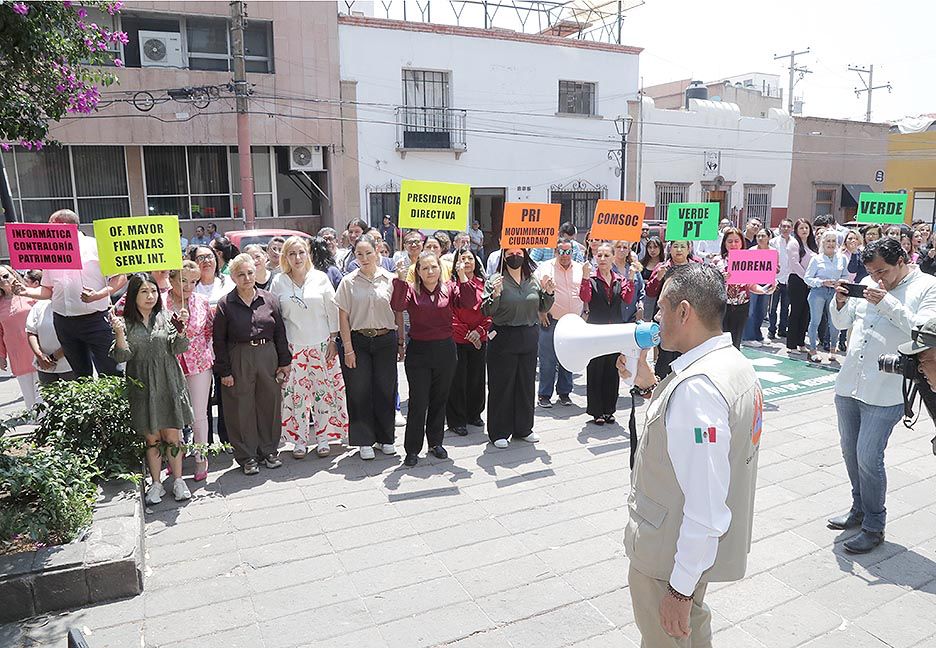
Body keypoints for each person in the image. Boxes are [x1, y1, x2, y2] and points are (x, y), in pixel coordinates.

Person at [619, 263, 762, 647]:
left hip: (666, 557)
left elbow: (705, 504)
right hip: (685, 553)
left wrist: (679, 591)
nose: (656, 318)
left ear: (684, 312)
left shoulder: (697, 389)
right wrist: (649, 386)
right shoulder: (732, 365)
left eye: (661, 309)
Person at [829, 237, 936, 553]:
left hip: (887, 389)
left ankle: (875, 525)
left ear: (902, 260)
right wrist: (839, 303)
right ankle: (859, 508)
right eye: (872, 272)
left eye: (883, 271)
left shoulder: (927, 287)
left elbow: (924, 331)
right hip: (850, 382)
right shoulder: (866, 282)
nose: (877, 278)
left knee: (868, 456)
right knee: (850, 451)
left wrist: (887, 303)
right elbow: (842, 323)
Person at [110, 274, 194, 504]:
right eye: (144, 291)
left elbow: (180, 347)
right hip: (142, 385)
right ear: (133, 295)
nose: (150, 296)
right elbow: (122, 356)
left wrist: (182, 330)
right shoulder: (125, 323)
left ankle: (178, 480)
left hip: (168, 381)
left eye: (154, 291)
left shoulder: (166, 317)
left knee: (173, 436)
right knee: (152, 438)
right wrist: (119, 334)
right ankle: (156, 483)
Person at [13, 210, 125, 378]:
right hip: (64, 323)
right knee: (80, 376)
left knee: (110, 371)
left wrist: (99, 295)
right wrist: (25, 291)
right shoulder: (51, 252)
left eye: (51, 225)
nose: (47, 230)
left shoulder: (96, 246)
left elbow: (120, 277)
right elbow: (47, 290)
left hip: (95, 320)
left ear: (65, 226)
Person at [391, 250, 473, 466]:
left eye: (434, 267)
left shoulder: (449, 288)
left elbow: (468, 302)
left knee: (439, 399)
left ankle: (436, 443)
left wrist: (462, 276)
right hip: (419, 352)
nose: (430, 271)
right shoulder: (411, 289)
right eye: (425, 268)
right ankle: (412, 449)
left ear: (440, 268)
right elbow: (397, 306)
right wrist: (400, 279)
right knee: (419, 402)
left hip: (445, 351)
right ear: (417, 271)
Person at [213, 254, 291, 475]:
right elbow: (219, 340)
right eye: (241, 274)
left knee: (269, 403)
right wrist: (224, 371)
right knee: (241, 406)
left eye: (250, 273)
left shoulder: (270, 299)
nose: (247, 278)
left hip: (267, 354)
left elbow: (280, 332)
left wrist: (284, 361)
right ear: (233, 277)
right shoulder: (225, 304)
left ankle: (269, 450)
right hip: (239, 356)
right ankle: (247, 456)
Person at [272, 236, 348, 459]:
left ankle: (323, 438)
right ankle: (299, 440)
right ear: (285, 257)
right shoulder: (279, 282)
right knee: (295, 396)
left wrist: (333, 339)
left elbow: (332, 310)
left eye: (301, 252)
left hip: (322, 344)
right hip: (293, 347)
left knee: (323, 394)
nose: (297, 258)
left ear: (308, 254)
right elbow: (276, 317)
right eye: (292, 253)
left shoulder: (320, 278)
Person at [335, 234, 400, 460]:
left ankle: (386, 438)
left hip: (385, 339)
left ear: (378, 250)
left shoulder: (391, 279)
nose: (364, 258)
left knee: (385, 389)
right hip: (358, 341)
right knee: (359, 390)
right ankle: (364, 440)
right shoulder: (348, 282)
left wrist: (401, 342)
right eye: (359, 254)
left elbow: (398, 311)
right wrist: (348, 348)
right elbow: (343, 317)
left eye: (368, 253)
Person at [482, 248, 554, 448]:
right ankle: (499, 431)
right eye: (511, 252)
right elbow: (487, 310)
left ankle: (523, 428)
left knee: (526, 384)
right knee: (502, 386)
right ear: (504, 256)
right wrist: (495, 294)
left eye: (519, 252)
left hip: (528, 336)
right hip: (503, 337)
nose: (515, 256)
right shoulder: (495, 279)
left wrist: (549, 292)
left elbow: (542, 307)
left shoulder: (532, 279)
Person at [167, 262, 214, 481]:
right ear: (171, 279)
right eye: (183, 280)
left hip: (198, 362)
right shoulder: (160, 301)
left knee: (199, 413)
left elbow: (208, 330)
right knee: (173, 413)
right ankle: (175, 455)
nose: (188, 286)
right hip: (170, 363)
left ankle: (201, 457)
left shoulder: (201, 301)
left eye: (194, 281)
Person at [580, 242, 634, 425]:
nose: (602, 259)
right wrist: (585, 277)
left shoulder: (619, 279)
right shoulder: (591, 278)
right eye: (599, 255)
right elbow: (585, 297)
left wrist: (631, 279)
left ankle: (609, 410)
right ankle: (596, 411)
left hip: (614, 332)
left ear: (613, 258)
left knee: (612, 370)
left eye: (606, 255)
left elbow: (627, 299)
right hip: (596, 332)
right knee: (596, 370)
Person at [534, 238, 584, 408]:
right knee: (548, 360)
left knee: (568, 358)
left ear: (572, 252)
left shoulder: (580, 269)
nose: (565, 255)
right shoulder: (545, 268)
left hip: (573, 323)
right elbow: (534, 291)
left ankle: (564, 393)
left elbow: (585, 291)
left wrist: (586, 311)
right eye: (561, 251)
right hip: (550, 321)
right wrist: (540, 311)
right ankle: (544, 395)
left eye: (568, 251)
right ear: (555, 252)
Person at [446, 246, 491, 436]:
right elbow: (449, 314)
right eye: (462, 258)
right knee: (457, 380)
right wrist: (467, 334)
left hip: (479, 339)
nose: (466, 262)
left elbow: (490, 311)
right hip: (458, 339)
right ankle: (457, 420)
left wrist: (479, 331)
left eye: (470, 258)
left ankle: (474, 414)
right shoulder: (450, 286)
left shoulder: (485, 284)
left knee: (477, 379)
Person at [717, 228, 772, 349]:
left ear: (742, 242)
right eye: (730, 241)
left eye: (736, 241)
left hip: (741, 306)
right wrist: (721, 278)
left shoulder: (747, 261)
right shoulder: (718, 261)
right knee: (721, 342)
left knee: (736, 341)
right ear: (724, 243)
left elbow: (751, 285)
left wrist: (764, 290)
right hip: (722, 307)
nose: (733, 244)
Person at [804, 230, 850, 363]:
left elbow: (845, 275)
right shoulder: (816, 259)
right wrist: (822, 282)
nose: (831, 243)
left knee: (834, 321)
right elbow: (807, 278)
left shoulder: (842, 258)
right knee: (815, 321)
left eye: (833, 241)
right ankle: (812, 350)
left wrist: (840, 282)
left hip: (835, 292)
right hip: (818, 292)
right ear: (823, 243)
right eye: (828, 241)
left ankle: (833, 348)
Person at [0, 266, 39, 409]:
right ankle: (33, 418)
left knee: (41, 392)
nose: (2, 280)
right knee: (28, 395)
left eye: (5, 276)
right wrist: (1, 356)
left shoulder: (30, 294)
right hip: (17, 354)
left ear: (13, 274)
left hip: (37, 350)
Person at [26, 278, 75, 385]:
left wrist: (53, 358)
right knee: (48, 395)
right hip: (44, 367)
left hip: (69, 366)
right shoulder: (39, 305)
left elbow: (74, 337)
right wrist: (40, 355)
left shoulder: (73, 305)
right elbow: (31, 332)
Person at [786, 218, 818, 354]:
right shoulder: (793, 243)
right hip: (797, 280)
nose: (804, 230)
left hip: (809, 282)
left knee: (805, 312)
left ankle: (801, 342)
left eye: (806, 227)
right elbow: (795, 264)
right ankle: (791, 344)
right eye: (801, 228)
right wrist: (807, 279)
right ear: (796, 230)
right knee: (796, 312)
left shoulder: (812, 244)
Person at [741, 229, 777, 346]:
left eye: (763, 236)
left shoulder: (773, 251)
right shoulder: (751, 250)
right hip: (752, 283)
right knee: (751, 311)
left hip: (766, 283)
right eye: (759, 236)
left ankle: (758, 335)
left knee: (761, 311)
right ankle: (748, 337)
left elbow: (776, 267)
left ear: (769, 237)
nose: (760, 238)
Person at [768, 219, 793, 340]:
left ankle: (782, 329)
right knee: (772, 307)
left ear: (791, 229)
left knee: (785, 307)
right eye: (783, 226)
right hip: (776, 280)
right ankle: (771, 330)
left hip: (789, 280)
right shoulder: (773, 242)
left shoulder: (795, 243)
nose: (785, 229)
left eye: (788, 226)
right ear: (779, 227)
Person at [612, 240, 645, 323]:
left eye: (625, 247)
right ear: (614, 249)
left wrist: (640, 306)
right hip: (613, 317)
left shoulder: (634, 269)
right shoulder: (608, 269)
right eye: (618, 247)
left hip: (632, 316)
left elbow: (641, 291)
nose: (621, 250)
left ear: (628, 251)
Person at [640, 236, 664, 322]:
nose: (652, 250)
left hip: (660, 298)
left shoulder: (665, 264)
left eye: (655, 247)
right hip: (646, 299)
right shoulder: (642, 263)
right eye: (650, 247)